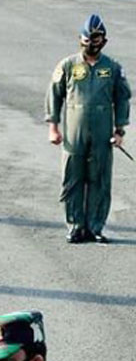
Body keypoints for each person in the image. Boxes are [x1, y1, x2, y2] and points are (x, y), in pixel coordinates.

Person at [45, 14, 130, 244]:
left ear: (104, 40)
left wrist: (119, 131)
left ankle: (95, 227)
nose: (93, 43)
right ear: (81, 39)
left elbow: (122, 99)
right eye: (89, 38)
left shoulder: (112, 68)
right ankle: (75, 226)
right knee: (72, 178)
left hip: (103, 134)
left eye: (98, 38)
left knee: (100, 179)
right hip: (74, 132)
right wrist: (53, 127)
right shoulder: (68, 66)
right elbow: (54, 95)